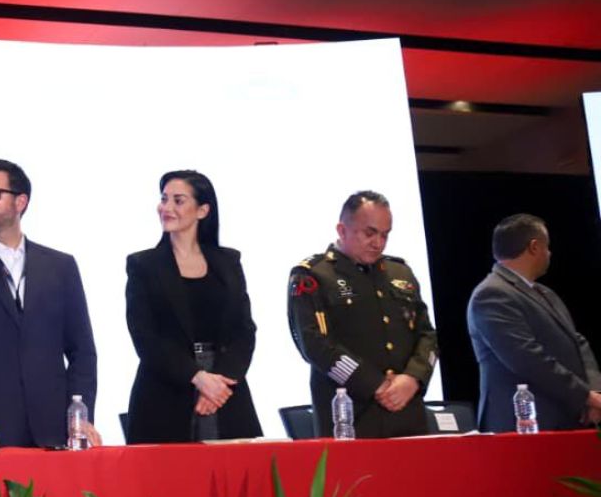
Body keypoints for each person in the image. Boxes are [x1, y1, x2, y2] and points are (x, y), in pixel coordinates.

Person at [0, 159, 100, 453]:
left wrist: (80, 415)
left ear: (21, 201)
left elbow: (82, 350)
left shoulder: (60, 267)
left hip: (55, 432)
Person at [124, 171, 261, 443]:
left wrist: (219, 382)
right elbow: (145, 336)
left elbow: (244, 330)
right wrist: (197, 377)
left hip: (224, 390)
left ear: (202, 210)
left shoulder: (228, 262)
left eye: (178, 200)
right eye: (164, 199)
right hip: (166, 389)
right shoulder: (144, 265)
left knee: (235, 466)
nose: (166, 208)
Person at [287, 191, 437, 438]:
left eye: (385, 234)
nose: (378, 243)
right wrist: (374, 384)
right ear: (342, 230)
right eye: (369, 233)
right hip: (349, 413)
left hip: (407, 410)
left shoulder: (400, 272)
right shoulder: (314, 275)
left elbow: (427, 334)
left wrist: (413, 378)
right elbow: (314, 344)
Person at [467, 214, 601, 431]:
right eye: (547, 247)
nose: (550, 253)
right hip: (523, 425)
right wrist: (586, 397)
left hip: (565, 420)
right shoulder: (491, 294)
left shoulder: (546, 293)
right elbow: (527, 358)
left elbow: (578, 342)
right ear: (534, 247)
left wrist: (596, 393)